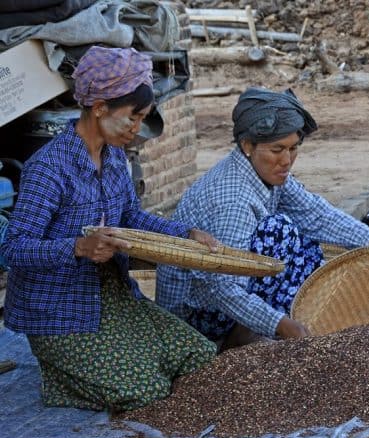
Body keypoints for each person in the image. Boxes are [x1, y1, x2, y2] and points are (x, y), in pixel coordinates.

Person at [0, 46, 217, 412]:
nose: (136, 129)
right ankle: (60, 380)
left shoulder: (116, 157)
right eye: (131, 118)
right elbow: (13, 249)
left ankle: (83, 372)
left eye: (142, 118)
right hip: (59, 313)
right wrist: (78, 247)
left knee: (199, 355)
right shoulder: (49, 168)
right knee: (145, 389)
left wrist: (185, 234)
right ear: (99, 107)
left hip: (111, 298)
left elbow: (131, 216)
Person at [156, 87, 369, 350]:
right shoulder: (233, 201)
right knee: (279, 230)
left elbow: (315, 214)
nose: (287, 160)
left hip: (222, 292)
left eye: (293, 148)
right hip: (195, 316)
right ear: (248, 145)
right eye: (277, 149)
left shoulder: (266, 171)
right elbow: (223, 289)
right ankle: (237, 340)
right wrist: (280, 324)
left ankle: (257, 326)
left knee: (305, 243)